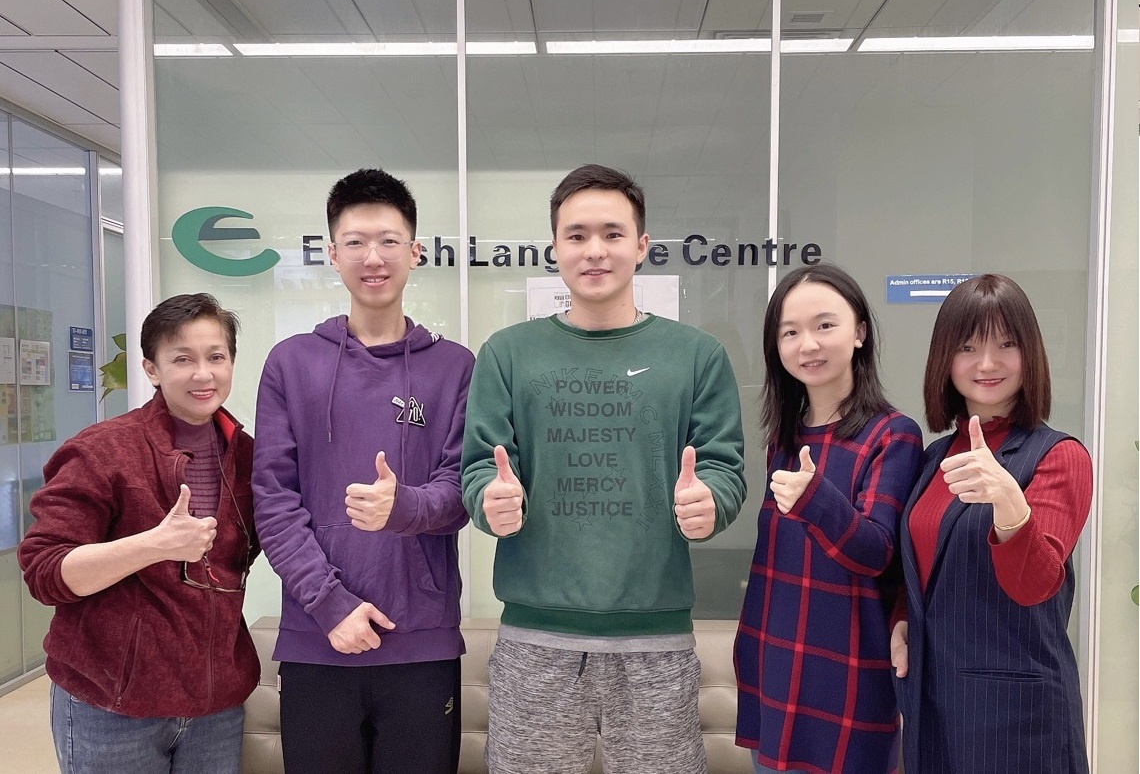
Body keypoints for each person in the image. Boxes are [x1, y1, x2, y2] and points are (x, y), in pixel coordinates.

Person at [461, 163, 747, 774]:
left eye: (613, 234)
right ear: (554, 248)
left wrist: (711, 502)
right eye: (577, 235)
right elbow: (480, 467)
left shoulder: (697, 356)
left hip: (656, 638)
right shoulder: (507, 354)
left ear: (642, 246)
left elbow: (723, 467)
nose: (595, 250)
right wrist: (490, 500)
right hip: (535, 639)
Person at [252, 168, 474, 774]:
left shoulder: (454, 367)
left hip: (422, 639)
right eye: (355, 242)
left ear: (415, 251)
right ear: (332, 254)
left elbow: (462, 491)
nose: (373, 258)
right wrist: (330, 605)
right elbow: (273, 500)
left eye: (388, 241)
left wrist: (403, 508)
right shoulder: (291, 363)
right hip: (317, 639)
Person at [19, 293, 257, 774]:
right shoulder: (102, 450)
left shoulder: (250, 457)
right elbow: (45, 572)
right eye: (182, 359)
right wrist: (154, 545)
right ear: (151, 369)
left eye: (216, 357)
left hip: (215, 705)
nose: (203, 374)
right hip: (110, 703)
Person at [890, 274, 1092, 774]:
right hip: (932, 705)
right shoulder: (934, 456)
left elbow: (1035, 584)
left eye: (1006, 344)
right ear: (944, 359)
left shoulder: (1059, 456)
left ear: (1031, 354)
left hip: (1016, 722)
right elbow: (927, 562)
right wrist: (901, 617)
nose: (987, 363)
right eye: (968, 347)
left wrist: (1009, 504)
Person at [734, 263, 923, 774]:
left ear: (859, 332)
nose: (808, 345)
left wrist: (817, 497)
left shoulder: (893, 434)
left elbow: (876, 552)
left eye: (824, 325)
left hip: (848, 675)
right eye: (790, 332)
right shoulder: (784, 439)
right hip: (773, 662)